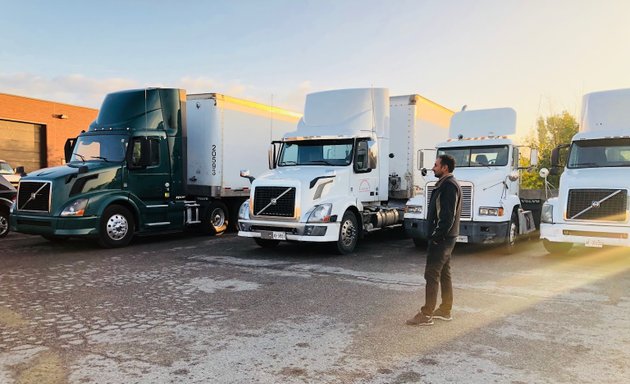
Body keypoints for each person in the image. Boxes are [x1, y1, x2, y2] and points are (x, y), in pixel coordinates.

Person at [407, 154, 462, 326]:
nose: (433, 168)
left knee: (431, 273)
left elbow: (447, 216)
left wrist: (437, 236)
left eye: (436, 165)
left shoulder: (449, 186)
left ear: (445, 168)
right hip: (447, 237)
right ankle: (445, 310)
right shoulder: (445, 184)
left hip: (443, 239)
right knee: (444, 273)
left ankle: (426, 314)